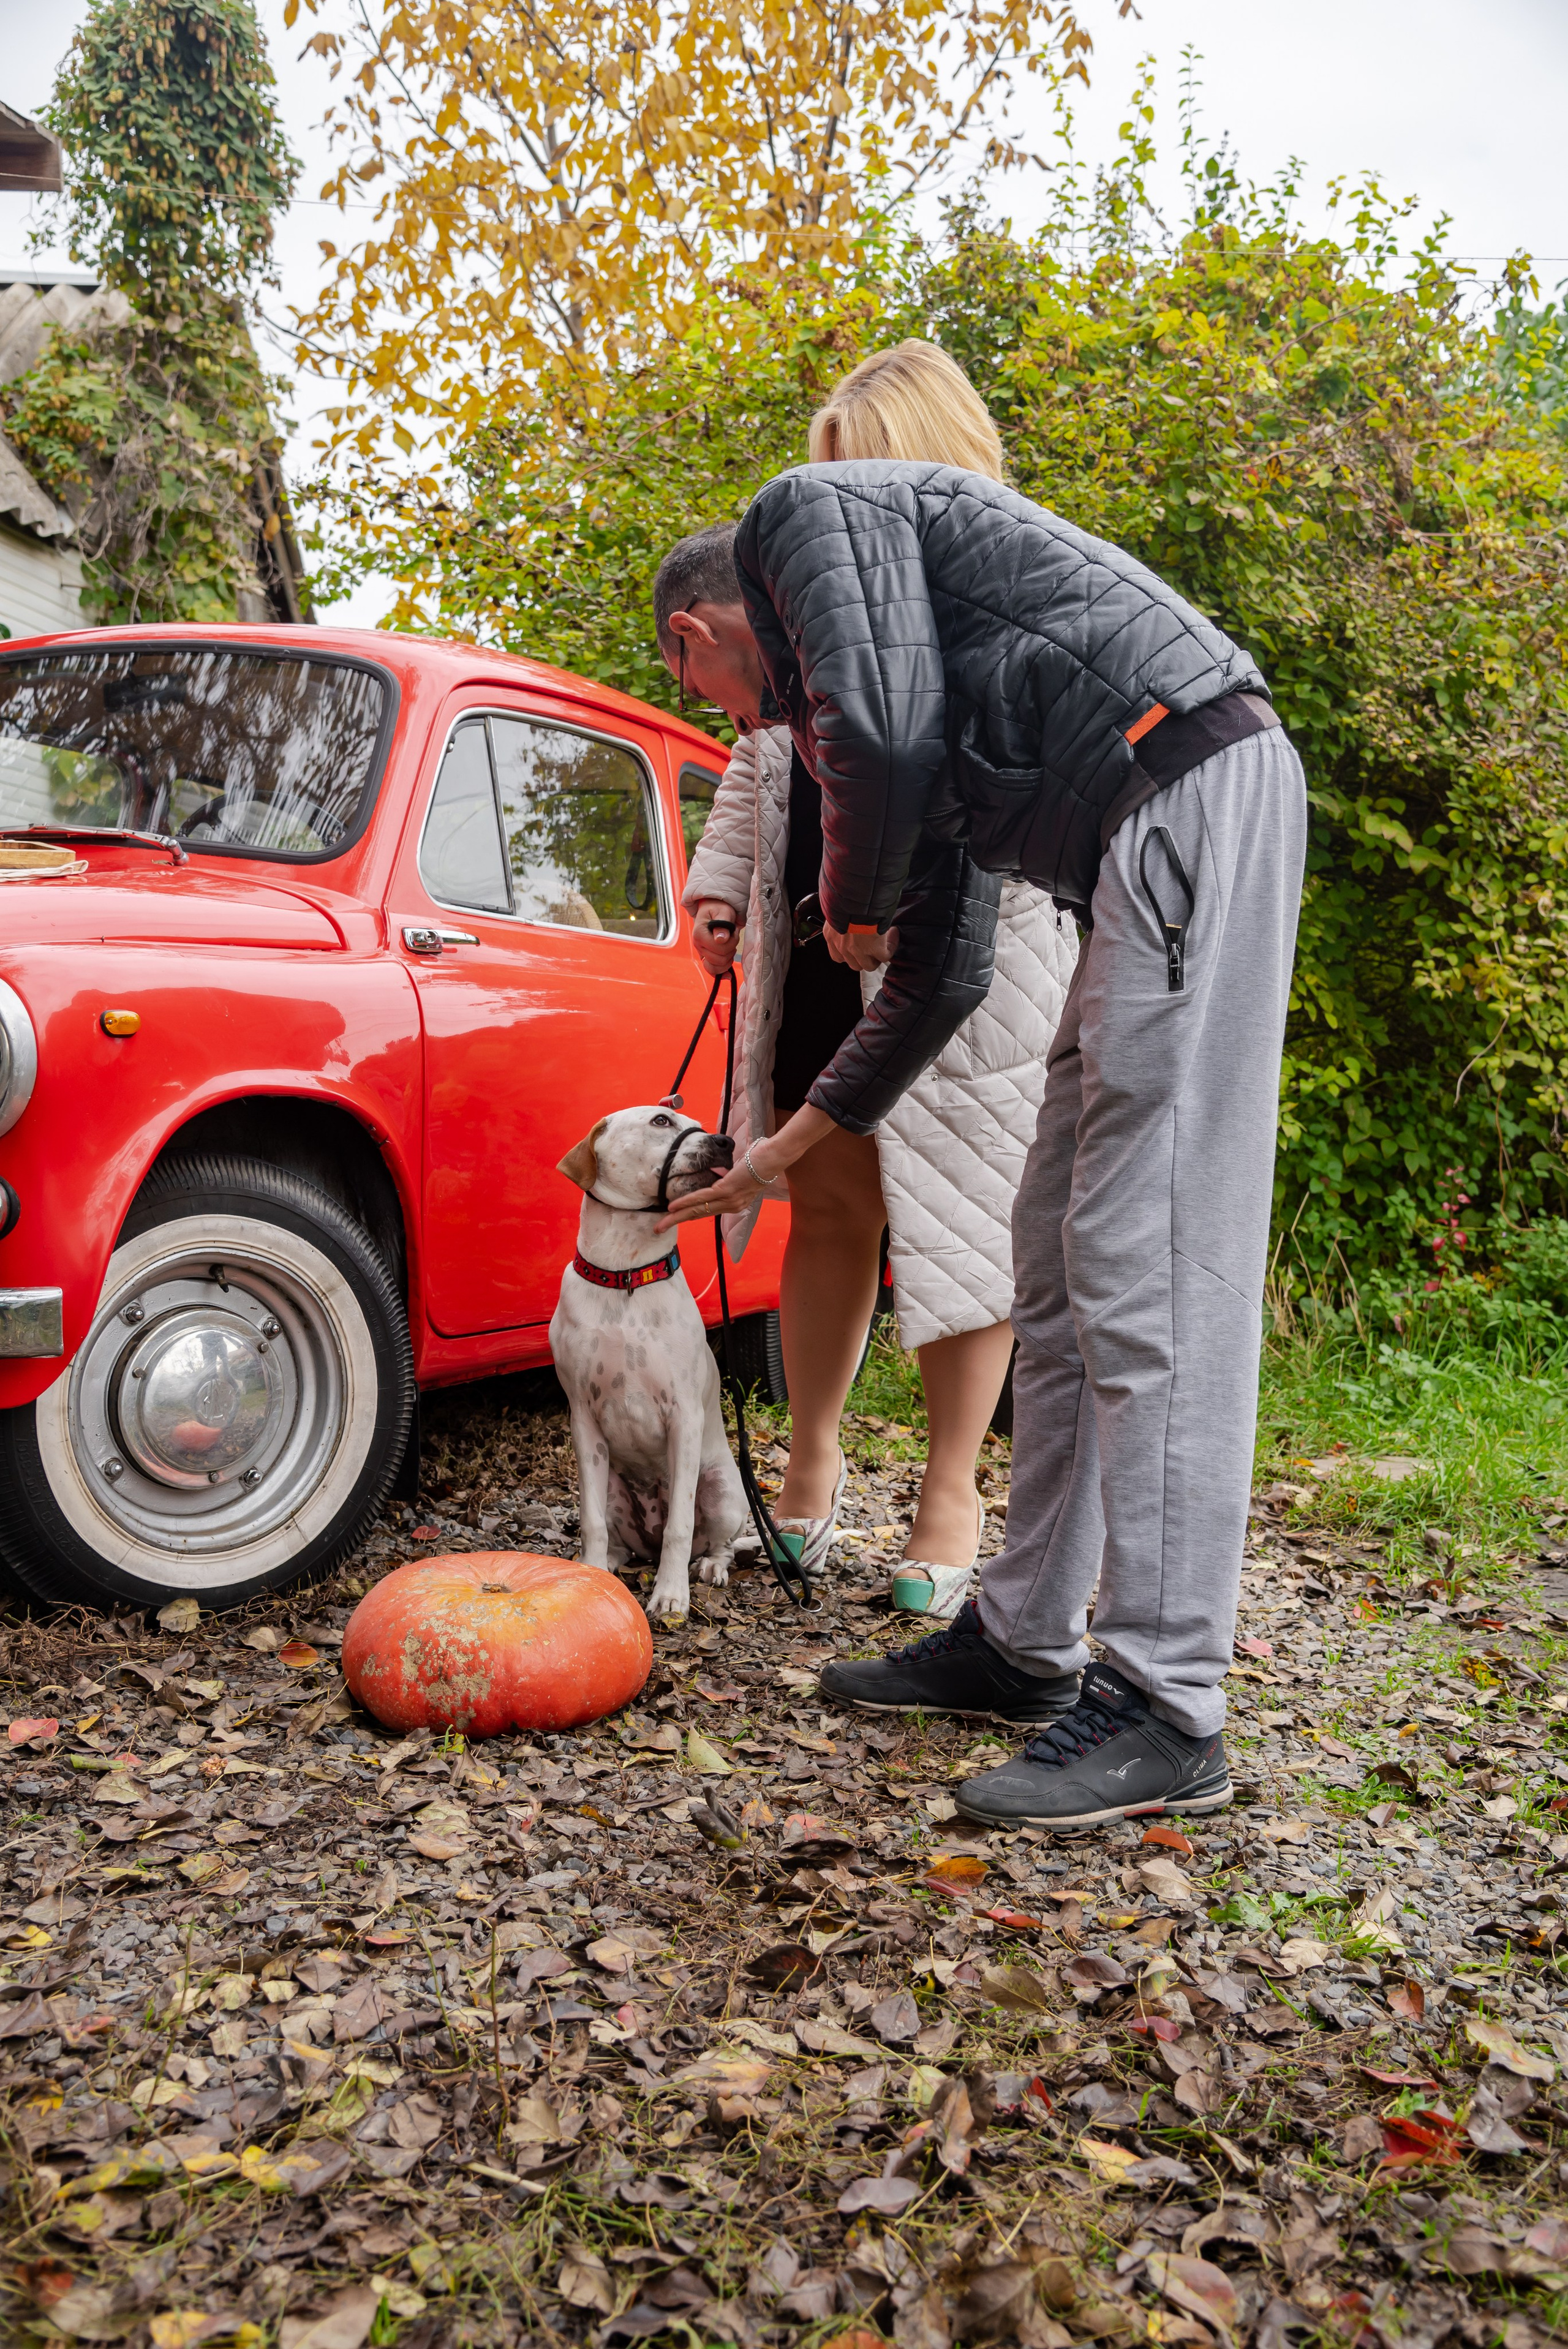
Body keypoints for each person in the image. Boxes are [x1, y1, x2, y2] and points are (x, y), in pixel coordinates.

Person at [655, 377, 1307, 1831]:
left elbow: (873, 767)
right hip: (1122, 846)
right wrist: (781, 1151)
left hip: (1186, 787)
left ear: (695, 635)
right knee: (1055, 1253)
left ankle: (1167, 1701)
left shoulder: (800, 520)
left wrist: (847, 896)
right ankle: (1022, 1640)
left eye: (703, 693)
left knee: (1149, 1262)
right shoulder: (916, 690)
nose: (744, 728)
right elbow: (933, 978)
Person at [678, 344, 1077, 1605]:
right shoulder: (808, 597)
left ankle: (952, 1490)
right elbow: (764, 751)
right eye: (826, 476)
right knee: (831, 1207)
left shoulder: (1000, 597)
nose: (838, 503)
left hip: (968, 966)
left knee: (962, 1231)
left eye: (857, 471)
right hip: (817, 964)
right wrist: (719, 881)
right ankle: (808, 1461)